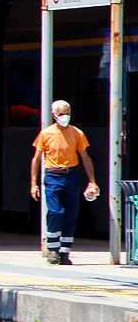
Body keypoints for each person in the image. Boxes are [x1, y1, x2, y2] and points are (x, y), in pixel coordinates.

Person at [30, 99, 99, 265]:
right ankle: (52, 250)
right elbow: (36, 159)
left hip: (71, 176)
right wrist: (34, 183)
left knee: (71, 213)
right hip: (52, 176)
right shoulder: (46, 134)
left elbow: (85, 158)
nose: (65, 117)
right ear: (54, 115)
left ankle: (65, 252)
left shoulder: (77, 133)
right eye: (61, 114)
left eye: (67, 113)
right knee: (55, 211)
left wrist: (92, 181)